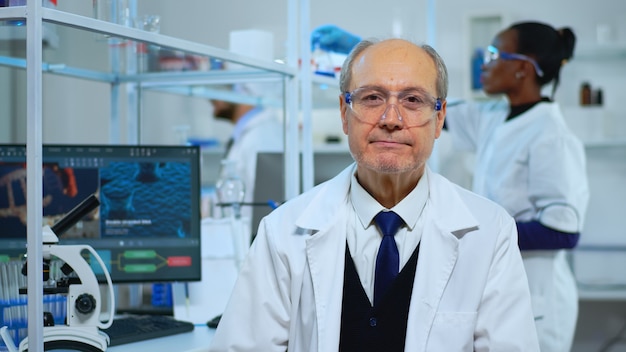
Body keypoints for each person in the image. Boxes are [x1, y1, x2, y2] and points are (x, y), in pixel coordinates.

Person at [208, 38, 539, 351]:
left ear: (439, 118)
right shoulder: (282, 232)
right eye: (371, 98)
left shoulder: (491, 232)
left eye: (413, 100)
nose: (391, 120)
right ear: (344, 113)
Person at [443, 21, 589, 351]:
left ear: (523, 68)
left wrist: (479, 235)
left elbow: (563, 232)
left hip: (537, 301)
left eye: (494, 54)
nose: (484, 62)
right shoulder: (495, 116)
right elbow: (432, 108)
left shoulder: (552, 136)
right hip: (498, 288)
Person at [210, 82, 284, 221]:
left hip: (249, 238)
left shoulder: (262, 137)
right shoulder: (248, 135)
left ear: (244, 93)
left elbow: (267, 201)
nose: (212, 97)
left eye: (224, 88)